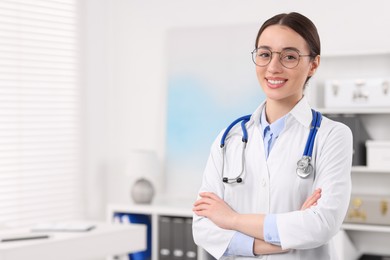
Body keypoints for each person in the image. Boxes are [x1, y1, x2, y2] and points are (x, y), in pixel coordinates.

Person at [192, 12, 353, 260]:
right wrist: (280, 241)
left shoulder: (332, 136)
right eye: (265, 54)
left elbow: (322, 224)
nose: (273, 67)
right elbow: (203, 227)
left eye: (289, 56)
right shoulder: (230, 137)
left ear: (313, 64)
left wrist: (230, 219)